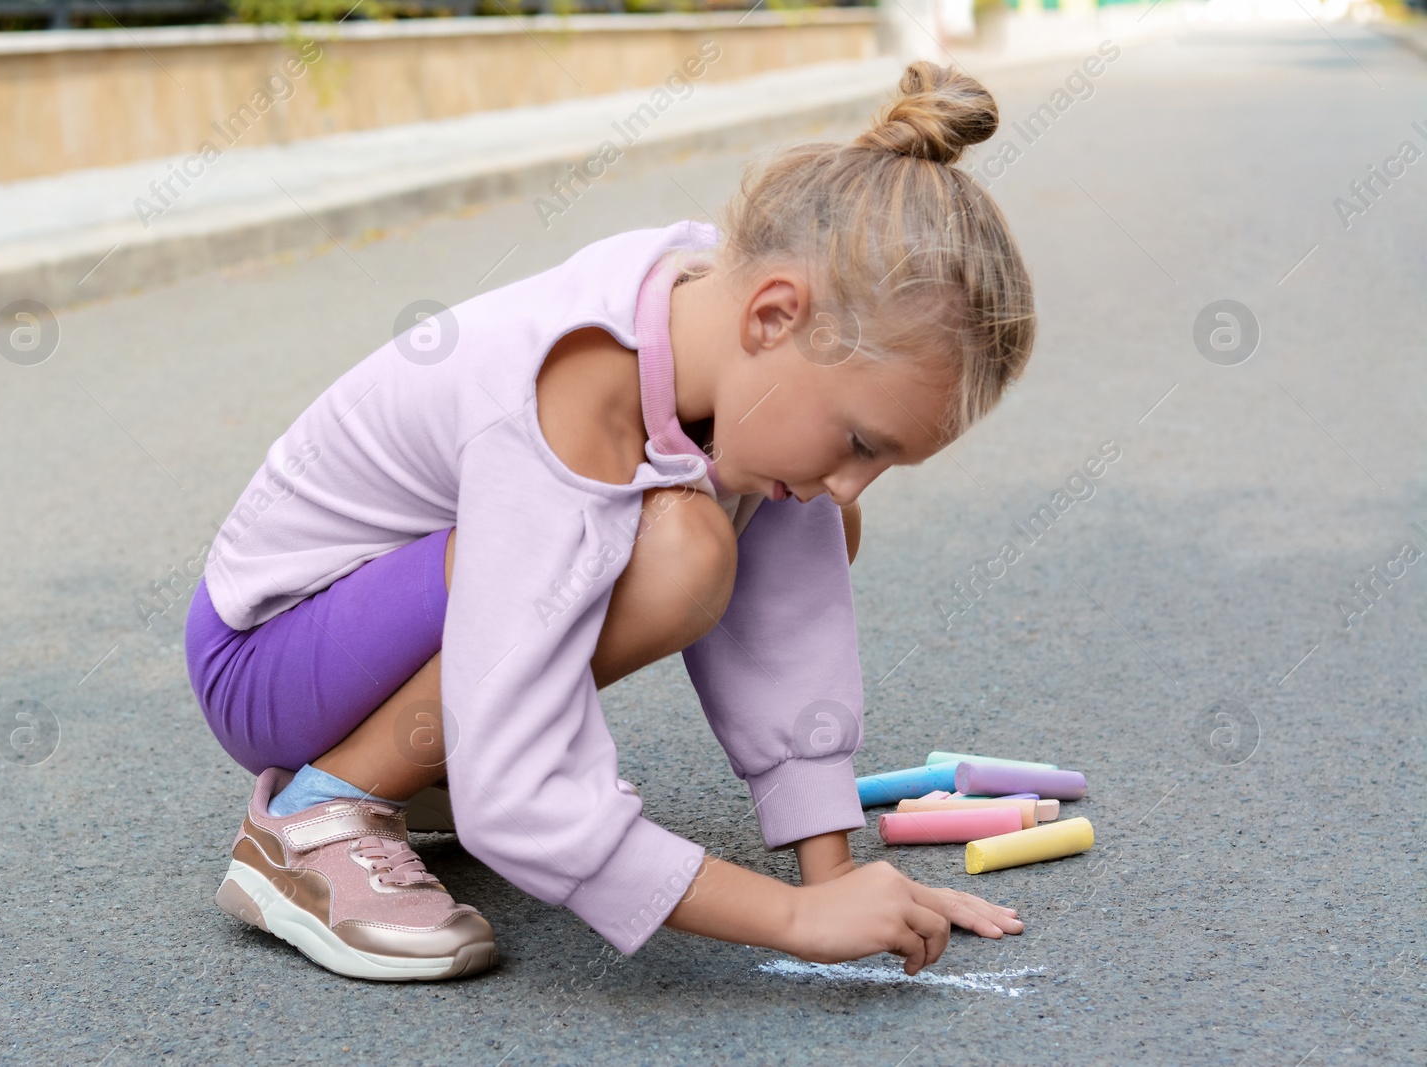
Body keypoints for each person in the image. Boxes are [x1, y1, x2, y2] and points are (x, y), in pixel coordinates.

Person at [184, 60, 1035, 982]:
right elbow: (521, 797)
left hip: (380, 622)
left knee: (773, 514)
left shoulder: (719, 316)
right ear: (775, 314)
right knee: (680, 548)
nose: (852, 485)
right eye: (861, 441)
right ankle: (316, 817)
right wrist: (791, 916)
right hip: (266, 654)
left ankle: (411, 763)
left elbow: (789, 599)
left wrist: (834, 874)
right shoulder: (577, 392)